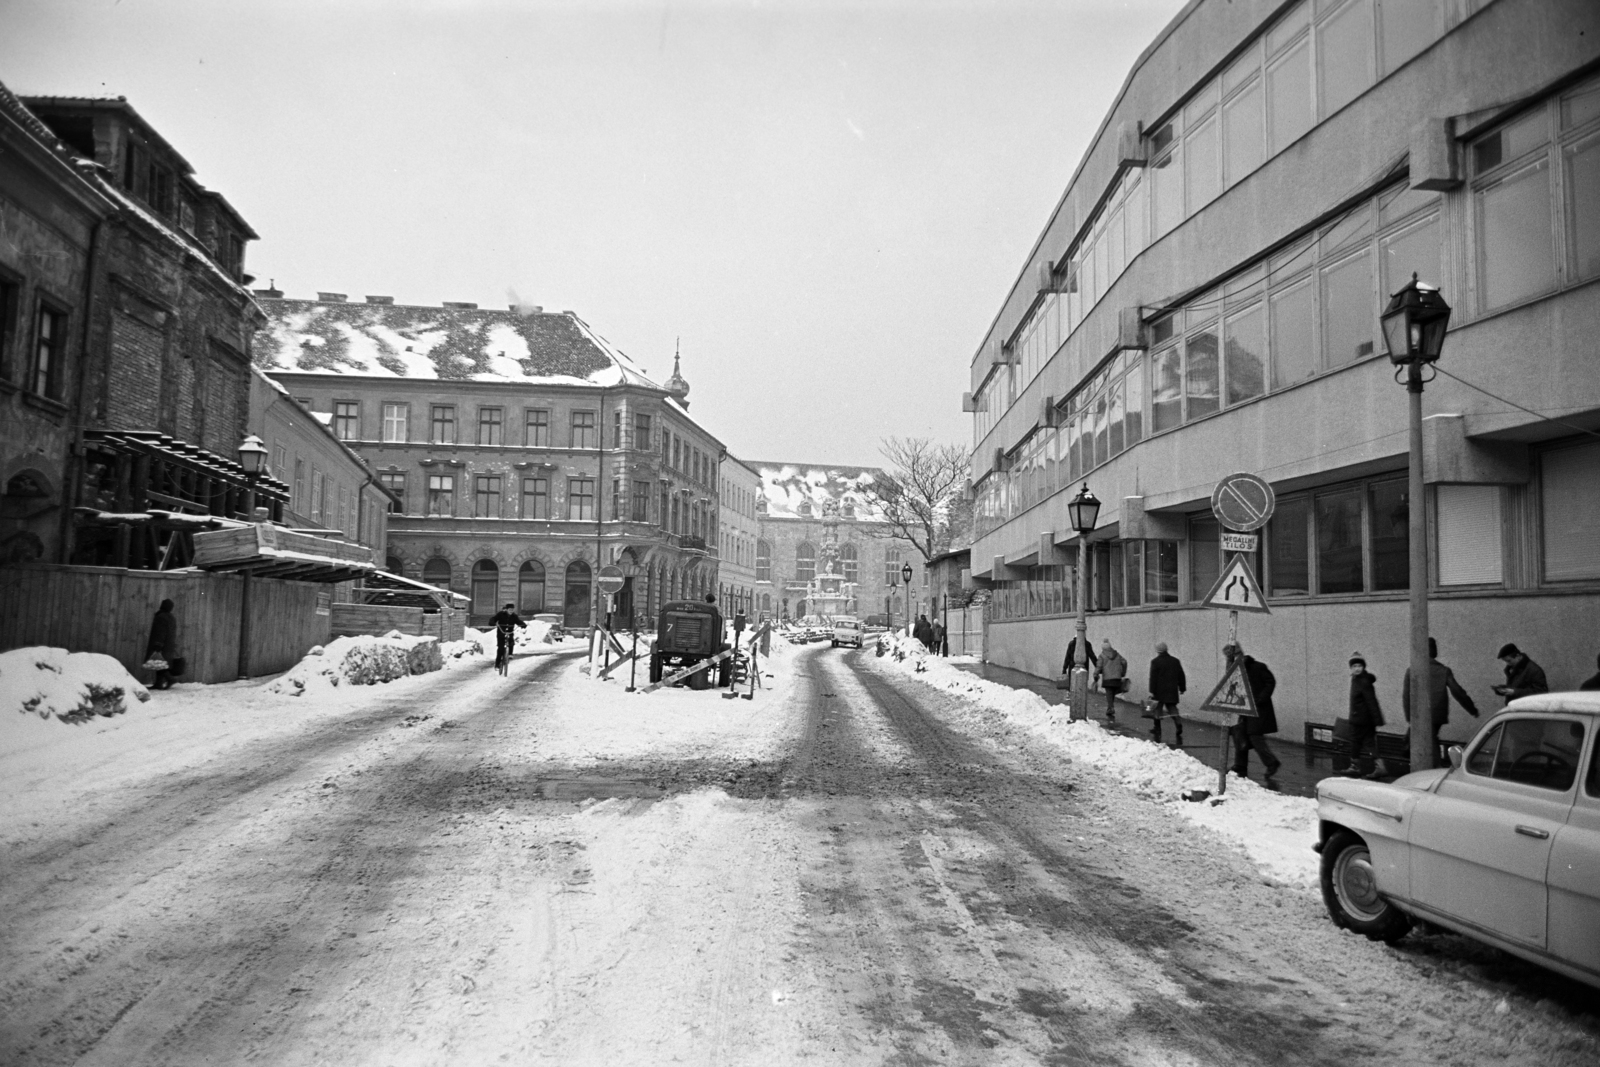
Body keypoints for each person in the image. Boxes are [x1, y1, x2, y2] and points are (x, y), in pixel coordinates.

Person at [1402, 637, 1480, 766]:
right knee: (1431, 739)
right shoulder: (1443, 670)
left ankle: (1433, 768)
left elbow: (1406, 696)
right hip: (1438, 713)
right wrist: (1471, 709)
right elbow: (1457, 691)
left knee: (1427, 742)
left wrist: (1409, 717)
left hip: (1419, 714)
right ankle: (1431, 766)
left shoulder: (1412, 670)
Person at [1224, 641, 1281, 782]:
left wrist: (1260, 698)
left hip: (1259, 708)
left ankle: (1271, 762)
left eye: (1234, 655)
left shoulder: (1258, 667)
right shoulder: (1235, 670)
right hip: (1245, 708)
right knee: (1240, 735)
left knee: (1254, 736)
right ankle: (1240, 766)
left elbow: (1270, 682)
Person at [1343, 654, 1384, 778]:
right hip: (1360, 719)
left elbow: (1371, 701)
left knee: (1359, 742)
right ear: (1351, 668)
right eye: (1354, 666)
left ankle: (1356, 767)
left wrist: (1377, 719)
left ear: (1363, 667)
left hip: (1362, 720)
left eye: (1359, 666)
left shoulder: (1363, 681)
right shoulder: (1356, 679)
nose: (1357, 668)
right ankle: (1378, 767)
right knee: (1364, 743)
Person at [1147, 642, 1186, 745]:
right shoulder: (1175, 661)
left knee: (1157, 709)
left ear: (1158, 651)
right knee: (1172, 707)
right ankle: (1178, 722)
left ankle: (1157, 728)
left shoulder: (1155, 662)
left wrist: (1152, 690)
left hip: (1159, 690)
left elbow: (1153, 677)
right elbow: (1181, 675)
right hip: (1172, 690)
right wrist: (1182, 688)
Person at [145, 598, 178, 690]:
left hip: (161, 643)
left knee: (158, 662)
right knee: (160, 663)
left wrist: (158, 644)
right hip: (168, 645)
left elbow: (160, 632)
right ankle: (158, 683)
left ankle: (170, 679)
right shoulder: (171, 617)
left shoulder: (161, 617)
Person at [1096, 639, 1128, 722]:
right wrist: (1123, 672)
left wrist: (1096, 675)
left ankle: (1111, 708)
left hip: (1107, 678)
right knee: (1112, 693)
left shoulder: (1102, 656)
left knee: (1109, 693)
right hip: (1117, 678)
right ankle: (1110, 707)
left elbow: (1098, 667)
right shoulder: (1117, 655)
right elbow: (1124, 662)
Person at [490, 602, 526, 670]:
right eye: (510, 609)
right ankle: (497, 664)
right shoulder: (500, 614)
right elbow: (494, 619)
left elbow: (518, 621)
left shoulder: (514, 616)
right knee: (500, 649)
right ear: (506, 609)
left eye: (512, 609)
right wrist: (492, 622)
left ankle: (510, 654)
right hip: (501, 632)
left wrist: (523, 625)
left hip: (509, 632)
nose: (511, 611)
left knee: (511, 641)